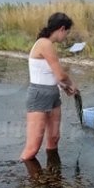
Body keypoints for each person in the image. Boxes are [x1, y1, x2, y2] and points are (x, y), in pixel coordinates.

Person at [21, 12, 78, 161]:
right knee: (32, 148)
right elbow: (60, 74)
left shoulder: (48, 44)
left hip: (53, 95)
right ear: (61, 29)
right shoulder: (44, 43)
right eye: (67, 33)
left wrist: (64, 87)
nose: (66, 37)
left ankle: (53, 177)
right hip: (39, 96)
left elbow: (51, 74)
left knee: (53, 138)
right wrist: (71, 83)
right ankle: (31, 182)